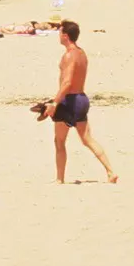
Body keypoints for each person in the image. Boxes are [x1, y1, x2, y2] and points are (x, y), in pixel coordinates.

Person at [45, 20, 116, 184]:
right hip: (81, 99)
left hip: (69, 100)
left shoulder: (69, 55)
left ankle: (59, 179)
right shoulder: (81, 53)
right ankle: (111, 171)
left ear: (65, 35)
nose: (58, 35)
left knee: (59, 141)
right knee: (87, 139)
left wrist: (55, 103)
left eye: (60, 32)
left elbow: (67, 82)